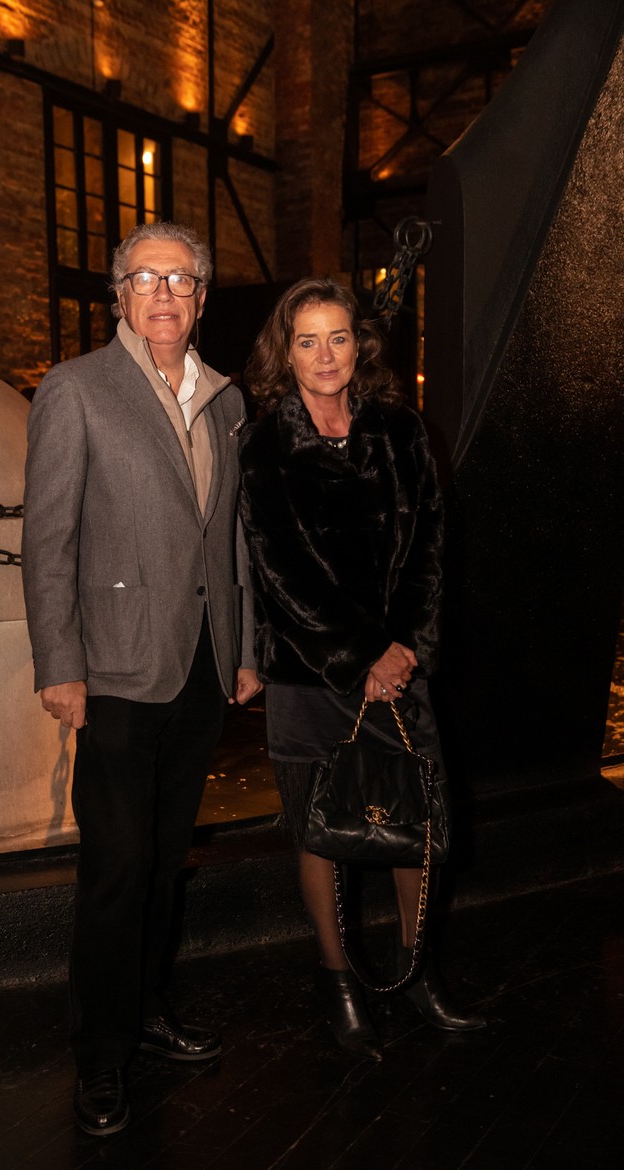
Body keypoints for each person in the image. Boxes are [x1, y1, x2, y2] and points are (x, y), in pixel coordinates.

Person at [22, 222, 261, 1136]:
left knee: (166, 860)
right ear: (119, 294)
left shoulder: (226, 399)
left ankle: (148, 1011)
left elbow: (232, 535)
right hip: (115, 669)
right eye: (147, 277)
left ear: (201, 298)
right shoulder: (76, 388)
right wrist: (60, 664)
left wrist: (244, 648)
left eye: (182, 278)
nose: (164, 293)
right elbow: (48, 538)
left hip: (201, 662)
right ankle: (100, 1056)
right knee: (117, 868)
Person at [238, 277, 485, 1060]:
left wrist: (405, 647)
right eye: (306, 340)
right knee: (322, 829)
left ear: (360, 345)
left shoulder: (401, 430)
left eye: (337, 337)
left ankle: (416, 971)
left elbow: (430, 548)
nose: (324, 355)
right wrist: (362, 654)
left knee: (416, 823)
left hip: (401, 669)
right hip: (311, 675)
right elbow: (281, 571)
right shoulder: (264, 444)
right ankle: (339, 981)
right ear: (286, 353)